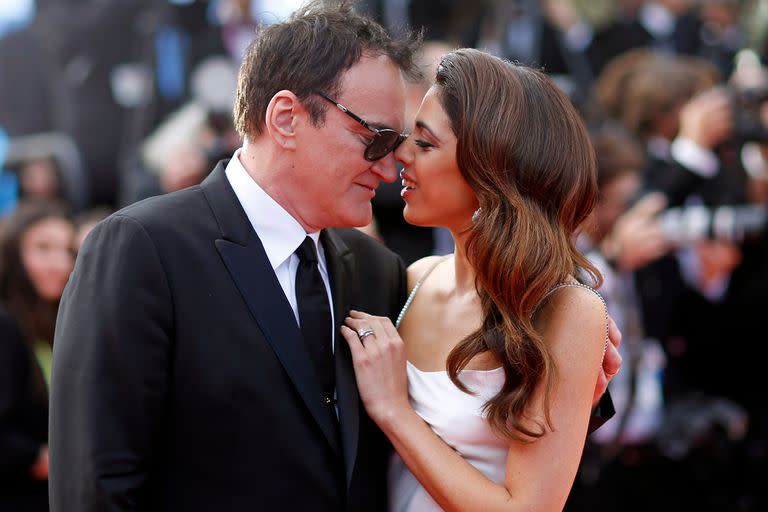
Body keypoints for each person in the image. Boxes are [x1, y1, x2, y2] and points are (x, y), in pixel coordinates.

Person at [49, 3, 619, 511]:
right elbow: (96, 485)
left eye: (409, 143)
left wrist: (580, 376)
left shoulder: (377, 272)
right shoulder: (143, 248)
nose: (392, 165)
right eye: (377, 138)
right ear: (287, 118)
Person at [339, 48, 614, 511]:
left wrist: (395, 413)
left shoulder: (564, 308)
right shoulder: (412, 280)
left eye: (425, 144)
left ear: (492, 170)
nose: (400, 155)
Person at [0, 201, 75, 511]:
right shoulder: (5, 323)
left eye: (67, 250)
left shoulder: (53, 322)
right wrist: (41, 459)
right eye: (43, 248)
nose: (59, 262)